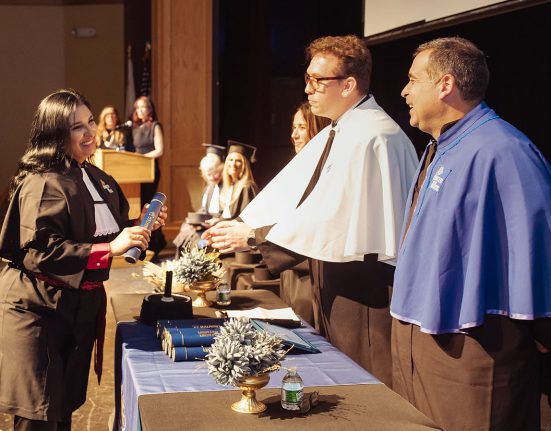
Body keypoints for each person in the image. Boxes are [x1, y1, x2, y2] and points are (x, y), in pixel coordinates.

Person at [203, 35, 418, 386]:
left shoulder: (373, 135)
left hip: (364, 285)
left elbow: (337, 215)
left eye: (318, 80)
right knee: (338, 370)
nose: (308, 89)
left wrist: (254, 235)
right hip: (337, 273)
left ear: (348, 85)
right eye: (307, 79)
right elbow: (301, 194)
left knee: (364, 374)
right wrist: (246, 224)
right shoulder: (343, 128)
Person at [390, 37, 551, 430]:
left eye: (413, 79)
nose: (404, 90)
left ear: (445, 85)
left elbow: (537, 255)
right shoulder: (441, 145)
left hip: (476, 355)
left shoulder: (504, 150)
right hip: (428, 346)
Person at [0, 89, 167, 430]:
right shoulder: (42, 182)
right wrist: (110, 249)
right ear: (56, 132)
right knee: (39, 416)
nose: (90, 132)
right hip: (38, 312)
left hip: (77, 309)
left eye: (91, 121)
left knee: (62, 411)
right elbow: (39, 251)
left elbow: (108, 232)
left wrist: (139, 229)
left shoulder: (96, 177)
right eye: (77, 127)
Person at [280, 102, 330, 326]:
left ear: (318, 128)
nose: (294, 135)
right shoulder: (297, 166)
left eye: (301, 127)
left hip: (308, 272)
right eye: (294, 127)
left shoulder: (326, 169)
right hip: (289, 269)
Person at [172, 144, 225, 255]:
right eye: (208, 174)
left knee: (199, 243)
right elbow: (204, 210)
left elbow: (230, 214)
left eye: (215, 173)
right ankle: (182, 267)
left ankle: (197, 267)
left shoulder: (227, 188)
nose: (212, 177)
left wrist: (217, 221)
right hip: (205, 226)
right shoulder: (208, 187)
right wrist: (193, 220)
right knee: (185, 234)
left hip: (219, 229)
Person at [131, 95, 166, 255]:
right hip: (136, 171)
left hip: (150, 170)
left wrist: (141, 159)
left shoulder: (155, 126)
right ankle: (141, 244)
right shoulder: (134, 128)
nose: (140, 111)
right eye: (137, 108)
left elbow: (160, 150)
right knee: (139, 207)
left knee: (150, 205)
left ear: (150, 109)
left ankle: (156, 242)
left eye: (143, 107)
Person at [218, 140, 259, 220]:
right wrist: (218, 221)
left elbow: (245, 218)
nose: (233, 164)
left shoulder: (247, 187)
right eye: (230, 160)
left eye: (238, 161)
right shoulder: (229, 186)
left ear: (244, 165)